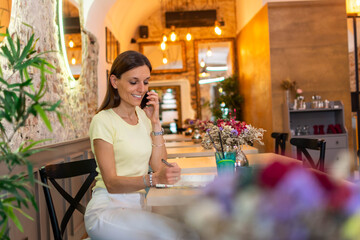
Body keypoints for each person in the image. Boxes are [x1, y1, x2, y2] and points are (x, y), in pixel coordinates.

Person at [84, 50, 184, 240]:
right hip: (107, 208)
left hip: (138, 207)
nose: (142, 89)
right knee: (167, 235)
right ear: (114, 82)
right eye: (134, 82)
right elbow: (112, 184)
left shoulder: (144, 119)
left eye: (146, 82)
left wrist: (155, 122)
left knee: (179, 231)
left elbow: (159, 166)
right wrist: (153, 179)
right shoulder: (103, 121)